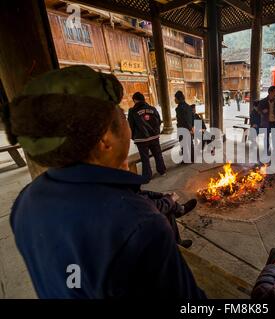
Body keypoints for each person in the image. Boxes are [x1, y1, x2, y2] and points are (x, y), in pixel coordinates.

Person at [2, 66, 205, 298]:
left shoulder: (25, 201)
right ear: (105, 139)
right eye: (120, 112)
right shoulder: (139, 224)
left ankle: (172, 206)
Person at [127, 92, 166, 182]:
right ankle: (162, 171)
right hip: (154, 137)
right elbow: (159, 121)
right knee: (158, 155)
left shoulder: (132, 111)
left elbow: (131, 125)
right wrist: (156, 132)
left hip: (141, 139)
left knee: (145, 158)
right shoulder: (152, 109)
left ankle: (147, 176)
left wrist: (134, 137)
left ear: (135, 100)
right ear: (144, 99)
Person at [258, 86, 275, 154]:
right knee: (266, 136)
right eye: (274, 92)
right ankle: (266, 150)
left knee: (274, 137)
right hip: (266, 122)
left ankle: (274, 150)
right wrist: (263, 111)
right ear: (269, 92)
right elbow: (259, 110)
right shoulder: (263, 101)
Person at [175, 91, 194, 163]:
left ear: (178, 98)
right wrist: (191, 127)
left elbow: (183, 119)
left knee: (184, 144)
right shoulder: (188, 106)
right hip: (189, 127)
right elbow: (192, 117)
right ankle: (192, 158)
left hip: (183, 128)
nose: (175, 100)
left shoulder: (179, 108)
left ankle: (186, 159)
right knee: (190, 144)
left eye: (175, 98)